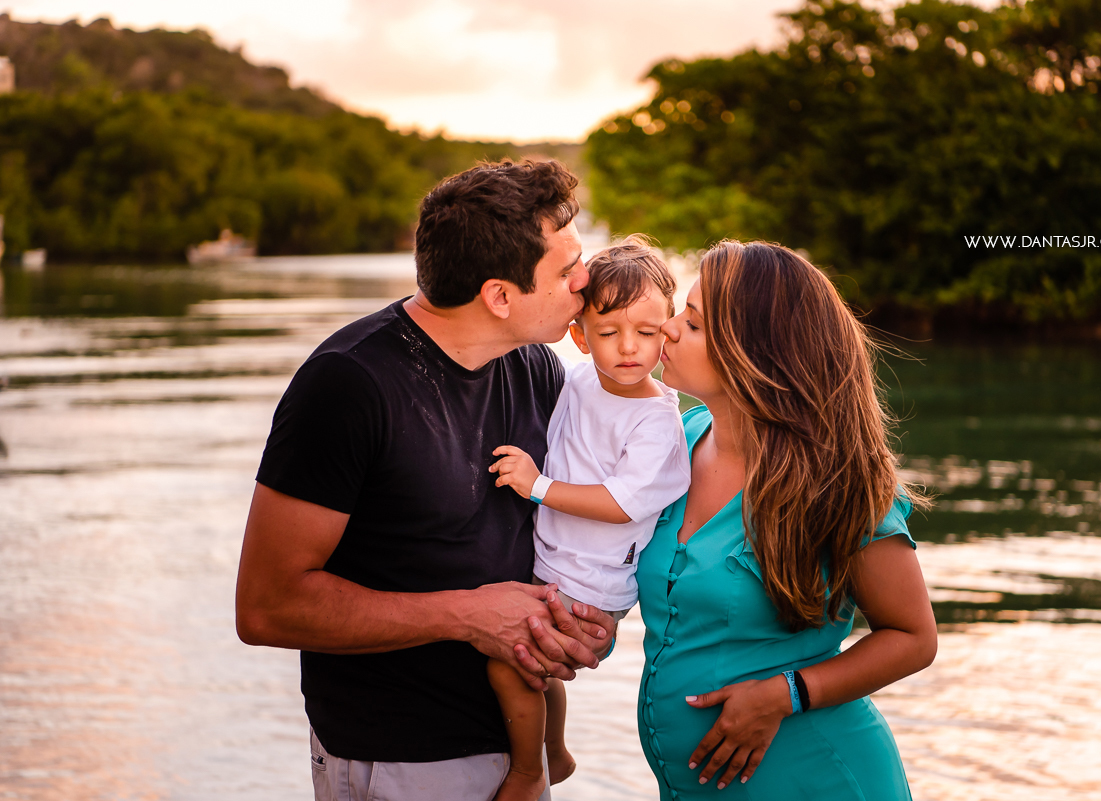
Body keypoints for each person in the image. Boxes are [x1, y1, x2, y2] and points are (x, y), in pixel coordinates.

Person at [234, 159, 616, 801]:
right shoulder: (347, 384)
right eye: (566, 269)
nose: (586, 279)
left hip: (521, 748)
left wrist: (586, 619)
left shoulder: (536, 365)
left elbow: (571, 521)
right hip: (397, 760)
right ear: (499, 296)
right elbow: (265, 607)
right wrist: (467, 616)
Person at [637, 240, 937, 799]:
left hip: (817, 779)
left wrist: (785, 694)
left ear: (755, 355)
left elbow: (913, 637)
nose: (667, 329)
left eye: (694, 324)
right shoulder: (676, 440)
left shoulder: (840, 483)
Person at [485, 236, 692, 801]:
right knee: (538, 667)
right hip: (555, 562)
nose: (628, 348)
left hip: (594, 580)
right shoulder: (575, 381)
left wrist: (537, 487)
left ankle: (529, 771)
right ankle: (555, 751)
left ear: (667, 332)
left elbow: (622, 503)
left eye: (646, 333)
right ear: (579, 335)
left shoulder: (657, 423)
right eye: (608, 332)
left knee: (511, 665)